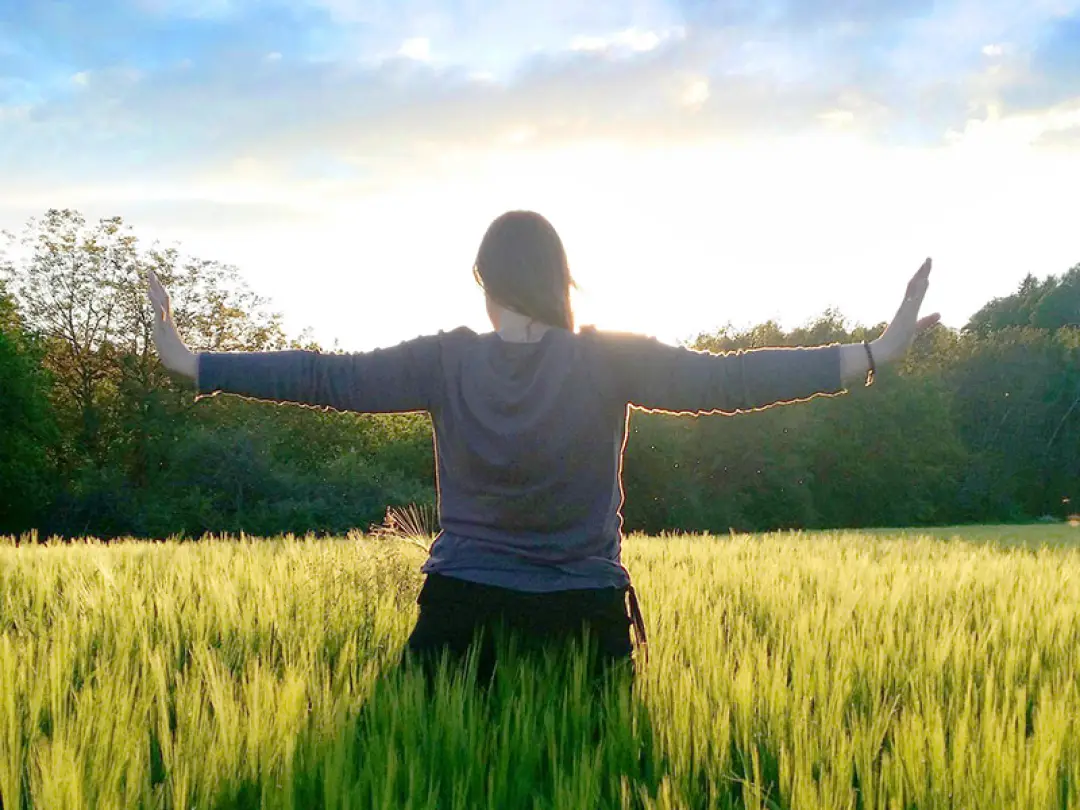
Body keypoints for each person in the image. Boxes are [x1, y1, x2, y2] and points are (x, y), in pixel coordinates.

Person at [147, 210, 939, 688]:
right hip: (583, 615)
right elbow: (726, 382)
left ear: (485, 280)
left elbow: (325, 377)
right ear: (560, 278)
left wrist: (197, 363)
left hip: (462, 611)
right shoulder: (606, 357)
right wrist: (872, 354)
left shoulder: (445, 359)